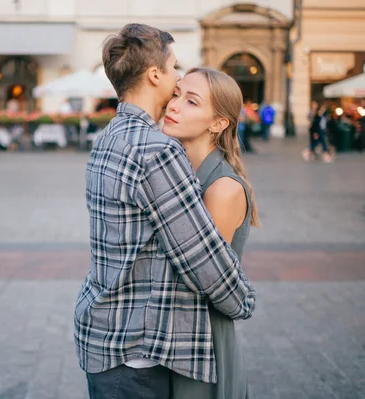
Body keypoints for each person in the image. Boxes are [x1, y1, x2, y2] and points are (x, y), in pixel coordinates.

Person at [74, 23, 255, 398]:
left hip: (105, 336)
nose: (175, 85)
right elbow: (202, 261)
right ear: (155, 73)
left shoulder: (110, 135)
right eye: (174, 69)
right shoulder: (157, 150)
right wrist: (245, 303)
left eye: (191, 98)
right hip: (135, 353)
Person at [162, 67, 260, 398]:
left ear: (217, 123)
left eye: (191, 101)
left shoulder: (222, 188)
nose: (173, 105)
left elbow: (201, 278)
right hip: (175, 339)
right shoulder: (179, 171)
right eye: (176, 94)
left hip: (202, 344)